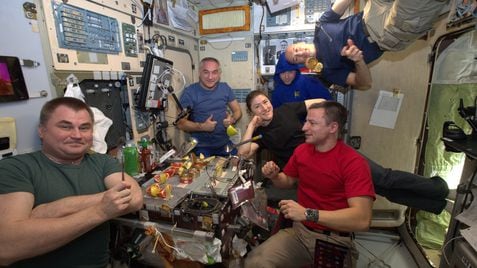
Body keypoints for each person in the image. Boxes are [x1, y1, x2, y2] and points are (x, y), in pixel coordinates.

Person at [238, 90, 449, 214]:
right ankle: (434, 203)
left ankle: (436, 190)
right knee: (377, 189)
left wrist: (330, 124)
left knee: (384, 177)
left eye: (265, 101)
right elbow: (244, 153)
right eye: (257, 107)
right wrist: (252, 126)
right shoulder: (262, 136)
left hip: (335, 153)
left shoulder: (287, 110)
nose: (264, 107)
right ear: (252, 112)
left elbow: (321, 103)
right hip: (314, 169)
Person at [0, 97, 144, 267]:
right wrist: (101, 210)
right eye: (65, 126)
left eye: (84, 128)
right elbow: (6, 247)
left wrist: (47, 210)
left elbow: (134, 199)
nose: (77, 135)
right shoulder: (16, 168)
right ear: (42, 131)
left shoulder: (102, 162)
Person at [244, 101, 376, 267]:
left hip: (334, 240)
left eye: (312, 123)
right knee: (254, 263)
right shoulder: (302, 151)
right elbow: (288, 181)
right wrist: (276, 176)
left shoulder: (353, 163)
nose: (304, 127)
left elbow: (362, 220)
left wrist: (307, 214)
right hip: (300, 233)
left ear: (333, 127)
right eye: (306, 121)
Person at [285, 0, 448, 89]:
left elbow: (340, 5)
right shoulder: (327, 71)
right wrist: (358, 60)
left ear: (299, 41)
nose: (299, 54)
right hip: (384, 35)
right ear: (303, 64)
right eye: (296, 59)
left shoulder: (321, 26)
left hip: (371, 11)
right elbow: (363, 83)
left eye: (296, 50)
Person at [177, 57, 242, 157]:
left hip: (225, 144)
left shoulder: (225, 88)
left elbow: (238, 111)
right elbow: (180, 123)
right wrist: (202, 127)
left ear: (219, 74)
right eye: (206, 72)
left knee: (238, 166)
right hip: (201, 147)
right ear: (199, 73)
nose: (210, 77)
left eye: (214, 72)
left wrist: (232, 120)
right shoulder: (190, 93)